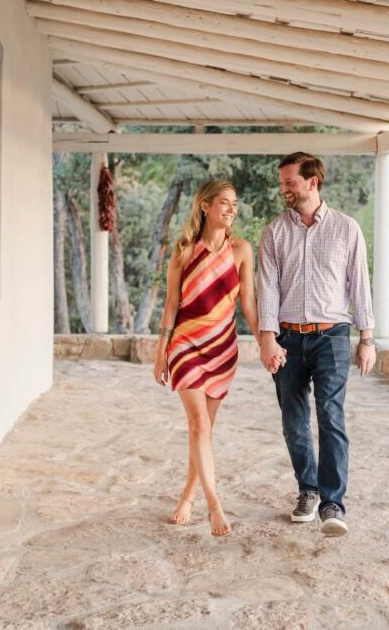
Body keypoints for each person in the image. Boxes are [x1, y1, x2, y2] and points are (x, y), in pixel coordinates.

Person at [257, 152, 376, 537]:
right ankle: (308, 490)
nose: (284, 189)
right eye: (282, 183)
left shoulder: (346, 228)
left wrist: (367, 338)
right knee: (293, 423)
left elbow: (359, 285)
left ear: (313, 182)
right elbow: (267, 290)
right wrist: (267, 339)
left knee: (330, 416)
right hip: (287, 339)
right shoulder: (274, 232)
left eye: (290, 182)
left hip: (332, 336)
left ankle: (332, 503)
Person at [154, 179, 259, 537]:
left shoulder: (241, 250)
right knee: (199, 424)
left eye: (235, 203)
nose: (232, 209)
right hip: (185, 345)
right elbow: (171, 305)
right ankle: (214, 505)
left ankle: (187, 496)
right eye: (225, 202)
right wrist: (161, 353)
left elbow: (248, 305)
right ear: (205, 206)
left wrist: (265, 342)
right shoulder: (184, 250)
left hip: (222, 349)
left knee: (204, 430)